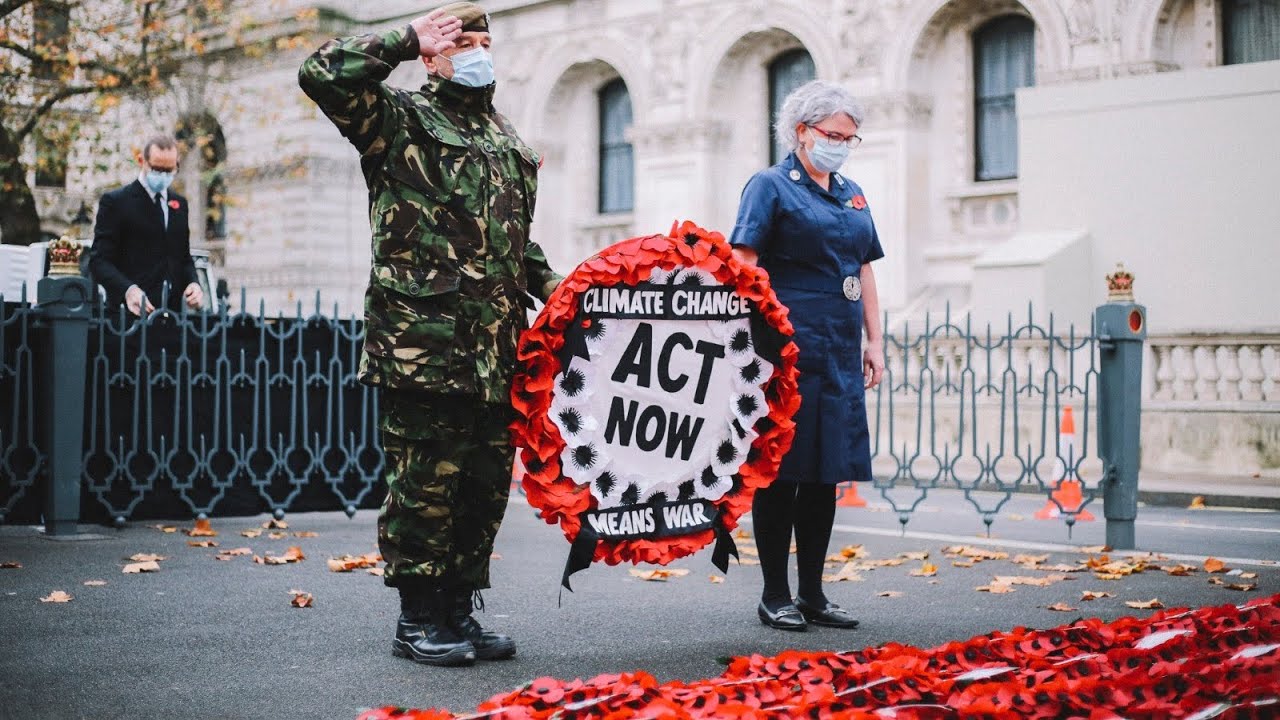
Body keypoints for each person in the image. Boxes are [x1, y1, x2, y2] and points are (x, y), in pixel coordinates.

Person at [298, 2, 561, 667]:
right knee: (424, 487)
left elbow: (512, 243)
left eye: (483, 41)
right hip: (424, 344)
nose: (475, 52)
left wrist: (563, 290)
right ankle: (417, 618)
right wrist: (401, 38)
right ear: (433, 55)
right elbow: (322, 73)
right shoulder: (398, 121)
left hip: (497, 350)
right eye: (459, 42)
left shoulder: (504, 138)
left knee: (480, 489)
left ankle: (458, 611)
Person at [729, 80, 885, 632]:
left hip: (839, 350)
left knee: (825, 474)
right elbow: (742, 261)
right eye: (832, 134)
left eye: (850, 137)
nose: (841, 144)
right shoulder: (770, 186)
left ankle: (814, 593)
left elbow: (864, 268)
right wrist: (755, 339)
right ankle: (776, 594)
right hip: (786, 352)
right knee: (783, 473)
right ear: (801, 131)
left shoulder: (851, 192)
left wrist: (875, 340)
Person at [90, 135, 203, 315]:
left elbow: (183, 258)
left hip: (172, 317)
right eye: (157, 169)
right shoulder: (116, 202)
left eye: (170, 170)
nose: (163, 176)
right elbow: (99, 261)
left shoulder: (179, 204)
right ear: (142, 161)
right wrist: (128, 290)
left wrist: (194, 283)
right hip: (128, 318)